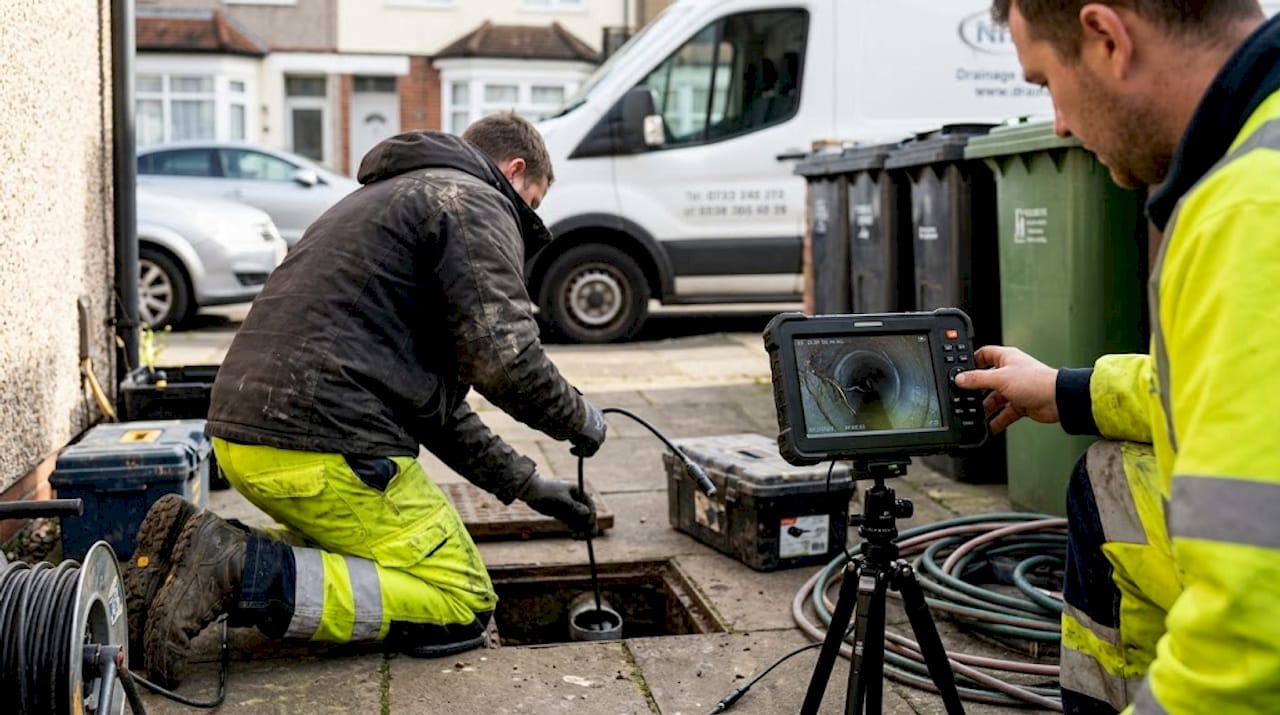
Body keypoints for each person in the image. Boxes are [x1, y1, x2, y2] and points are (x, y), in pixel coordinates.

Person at [123, 112, 609, 688]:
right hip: (325, 445)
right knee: (460, 600)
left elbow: (438, 409)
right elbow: (505, 357)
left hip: (247, 435)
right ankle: (236, 569)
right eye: (532, 201)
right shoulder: (472, 200)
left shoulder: (387, 202)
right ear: (515, 169)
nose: (528, 218)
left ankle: (186, 550)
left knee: (367, 564)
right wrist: (579, 417)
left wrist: (529, 485)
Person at [958, 2, 1280, 712]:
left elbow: (1254, 641)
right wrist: (1065, 389)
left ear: (1106, 38)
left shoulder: (1247, 210)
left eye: (1045, 82)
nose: (1062, 125)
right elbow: (1235, 385)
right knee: (1110, 480)